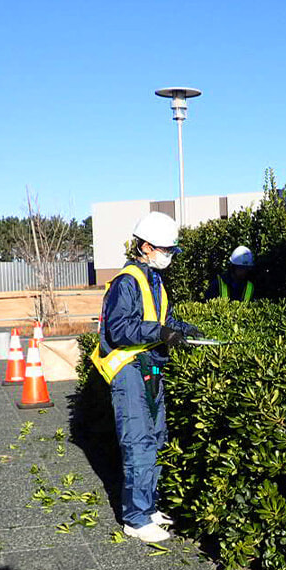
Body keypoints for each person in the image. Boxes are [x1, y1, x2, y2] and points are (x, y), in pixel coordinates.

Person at [90, 211, 202, 543]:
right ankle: (135, 518)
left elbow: (160, 318)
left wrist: (180, 329)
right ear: (145, 246)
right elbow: (121, 329)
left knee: (155, 437)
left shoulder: (153, 279)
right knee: (138, 442)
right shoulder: (127, 281)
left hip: (150, 366)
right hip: (129, 369)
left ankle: (149, 506)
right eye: (165, 249)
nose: (169, 255)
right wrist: (161, 332)